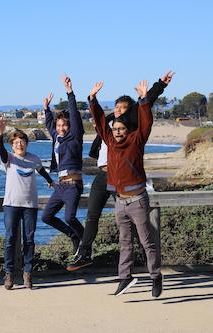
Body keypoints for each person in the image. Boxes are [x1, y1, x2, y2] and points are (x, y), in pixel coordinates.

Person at [67, 71, 175, 271]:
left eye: (123, 108)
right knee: (92, 215)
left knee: (134, 219)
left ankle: (145, 257)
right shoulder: (108, 125)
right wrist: (92, 98)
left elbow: (146, 104)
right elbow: (97, 116)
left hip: (123, 179)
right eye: (117, 107)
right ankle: (84, 254)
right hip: (103, 176)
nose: (119, 111)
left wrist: (159, 85)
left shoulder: (131, 128)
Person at [89, 80, 162, 297]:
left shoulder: (136, 141)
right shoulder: (110, 142)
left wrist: (144, 100)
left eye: (121, 128)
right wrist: (93, 99)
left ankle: (156, 277)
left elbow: (146, 121)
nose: (118, 132)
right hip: (120, 202)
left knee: (147, 241)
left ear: (128, 130)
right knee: (124, 242)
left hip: (138, 199)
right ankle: (125, 277)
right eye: (115, 129)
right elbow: (101, 121)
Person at [0, 119, 54, 290]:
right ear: (12, 145)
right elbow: (0, 151)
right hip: (12, 204)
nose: (19, 144)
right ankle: (9, 273)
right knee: (10, 239)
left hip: (30, 205)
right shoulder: (9, 158)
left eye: (22, 142)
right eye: (16, 142)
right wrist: (0, 135)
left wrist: (51, 181)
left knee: (29, 240)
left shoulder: (34, 158)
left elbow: (41, 170)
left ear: (26, 144)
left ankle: (28, 273)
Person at [41, 75, 84, 254]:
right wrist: (46, 109)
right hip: (60, 186)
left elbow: (73, 116)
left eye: (64, 125)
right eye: (59, 125)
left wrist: (70, 93)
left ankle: (85, 241)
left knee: (70, 216)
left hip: (73, 184)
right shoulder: (57, 138)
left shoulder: (75, 137)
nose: (61, 128)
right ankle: (73, 236)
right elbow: (50, 124)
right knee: (46, 216)